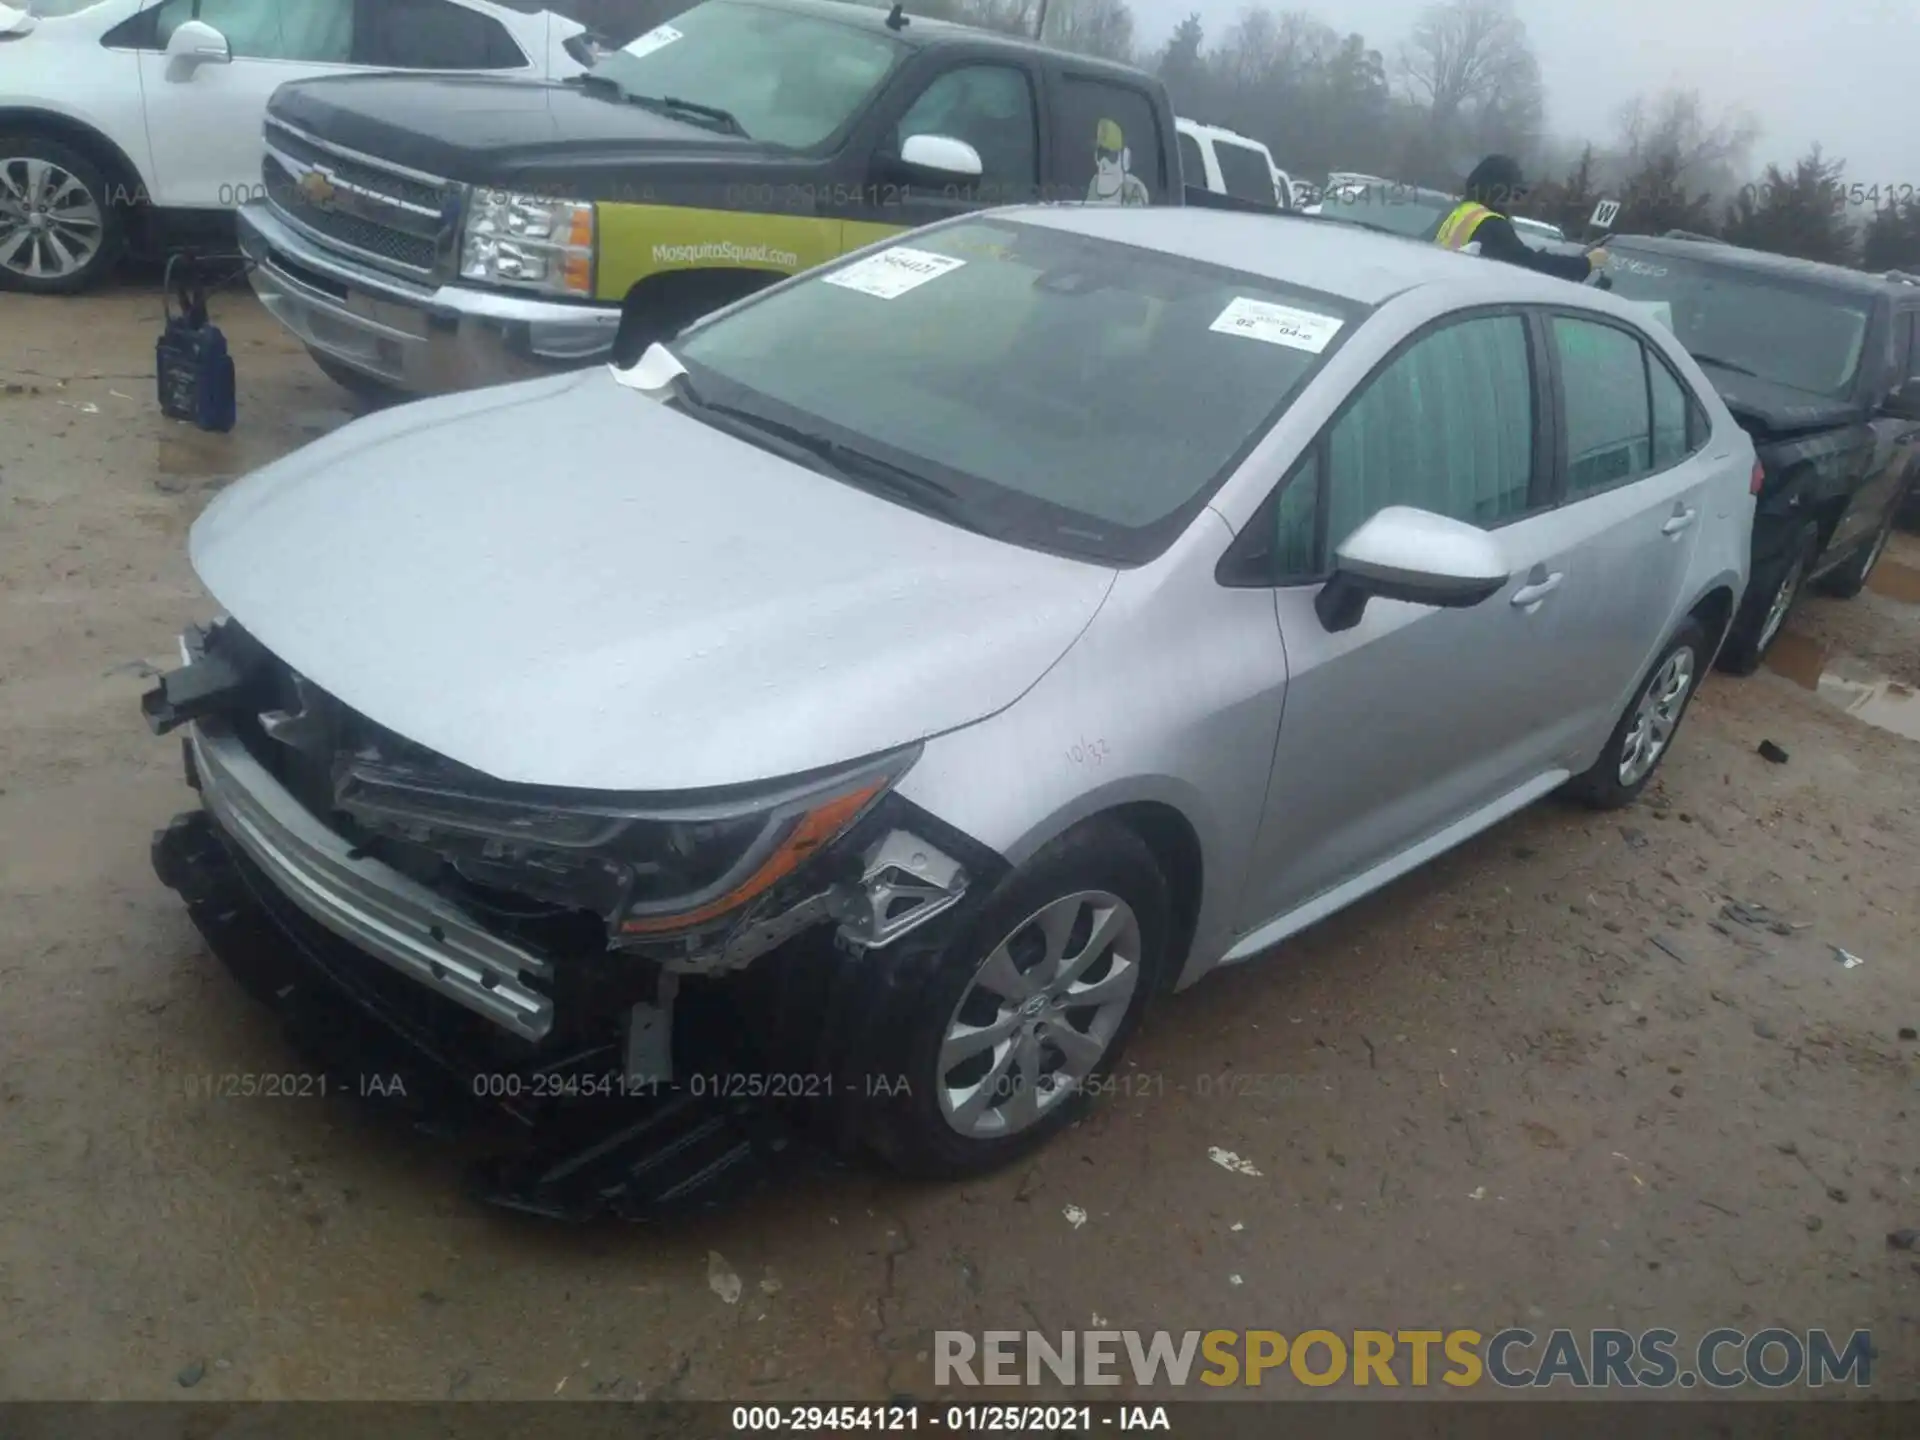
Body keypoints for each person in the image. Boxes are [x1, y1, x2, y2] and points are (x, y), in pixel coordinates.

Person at [1435, 155, 1608, 283]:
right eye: (1514, 193)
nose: (1515, 201)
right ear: (1498, 190)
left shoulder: (1460, 213)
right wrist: (1586, 264)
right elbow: (1531, 266)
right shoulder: (1491, 224)